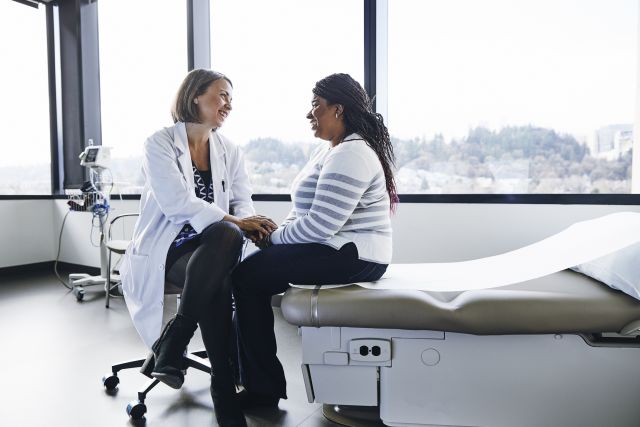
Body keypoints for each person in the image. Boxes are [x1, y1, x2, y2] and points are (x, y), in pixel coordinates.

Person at [120, 69, 276, 427]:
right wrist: (238, 223)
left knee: (224, 242)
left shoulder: (230, 149)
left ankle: (176, 341)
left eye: (231, 99)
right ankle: (222, 385)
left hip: (212, 248)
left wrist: (251, 221)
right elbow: (177, 203)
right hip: (167, 248)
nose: (228, 105)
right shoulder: (159, 143)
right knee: (221, 255)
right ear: (195, 97)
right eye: (222, 95)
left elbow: (242, 200)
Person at [231, 73, 397, 407]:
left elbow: (321, 225)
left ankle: (261, 390)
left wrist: (274, 240)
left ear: (338, 109)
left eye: (315, 106)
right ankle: (251, 379)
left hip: (353, 255)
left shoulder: (351, 154)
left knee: (247, 277)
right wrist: (272, 236)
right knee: (250, 272)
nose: (310, 114)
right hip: (336, 248)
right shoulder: (329, 152)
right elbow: (303, 214)